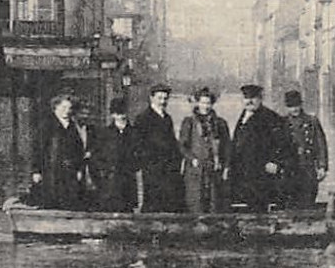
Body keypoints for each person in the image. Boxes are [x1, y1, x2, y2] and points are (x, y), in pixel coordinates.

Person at [229, 83, 295, 210]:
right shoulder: (243, 117)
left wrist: (275, 162)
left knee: (260, 204)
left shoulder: (271, 118)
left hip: (261, 173)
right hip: (244, 171)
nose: (250, 101)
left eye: (254, 98)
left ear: (260, 99)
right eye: (246, 98)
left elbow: (284, 144)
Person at [179, 87, 231, 214]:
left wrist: (225, 166)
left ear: (212, 104)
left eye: (208, 103)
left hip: (213, 170)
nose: (205, 106)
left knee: (214, 204)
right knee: (196, 204)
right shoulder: (189, 122)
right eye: (203, 102)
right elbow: (182, 146)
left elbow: (227, 147)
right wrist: (192, 159)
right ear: (197, 103)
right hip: (195, 171)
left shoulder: (220, 123)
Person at [31, 93, 86, 209]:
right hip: (52, 169)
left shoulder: (72, 126)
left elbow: (78, 149)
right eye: (63, 108)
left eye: (69, 108)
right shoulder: (47, 125)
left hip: (69, 170)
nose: (67, 111)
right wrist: (36, 170)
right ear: (55, 107)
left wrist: (79, 169)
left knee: (70, 198)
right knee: (51, 196)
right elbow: (38, 149)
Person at [133, 83, 182, 212]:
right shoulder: (143, 118)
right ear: (151, 98)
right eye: (159, 98)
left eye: (165, 98)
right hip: (153, 167)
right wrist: (148, 161)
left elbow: (172, 141)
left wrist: (176, 160)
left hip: (168, 166)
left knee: (168, 198)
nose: (163, 102)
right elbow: (139, 143)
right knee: (153, 198)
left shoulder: (167, 118)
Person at [90, 97, 140, 211]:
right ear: (112, 115)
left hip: (128, 180)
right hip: (110, 182)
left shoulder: (134, 133)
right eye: (117, 113)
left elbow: (140, 154)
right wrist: (104, 172)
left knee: (127, 212)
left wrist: (133, 166)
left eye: (123, 112)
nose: (121, 116)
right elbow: (96, 157)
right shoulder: (104, 133)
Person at [282, 89, 329, 207]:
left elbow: (321, 145)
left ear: (301, 104)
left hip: (308, 169)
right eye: (291, 106)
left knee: (308, 199)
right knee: (290, 202)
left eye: (297, 105)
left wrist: (322, 166)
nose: (294, 109)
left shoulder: (312, 121)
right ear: (287, 107)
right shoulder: (282, 123)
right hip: (290, 170)